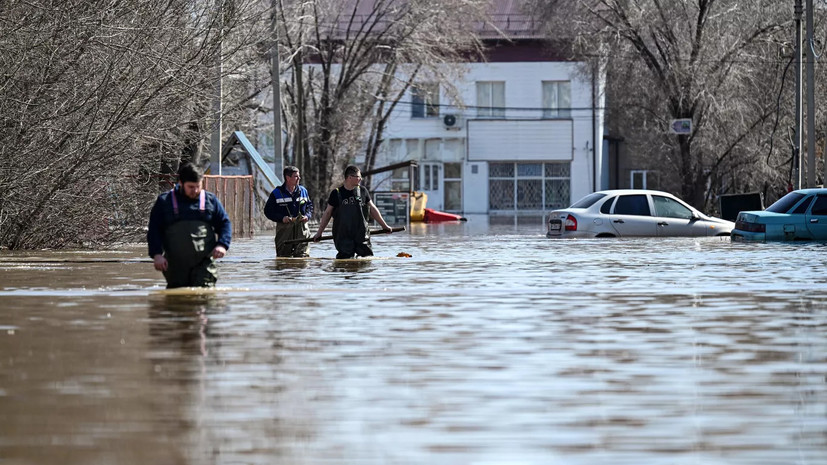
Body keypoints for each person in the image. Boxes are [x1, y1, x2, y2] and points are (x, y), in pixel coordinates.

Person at [147, 162, 232, 288]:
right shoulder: (164, 202)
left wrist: (222, 245)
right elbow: (154, 230)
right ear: (181, 183)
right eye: (191, 187)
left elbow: (225, 223)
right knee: (177, 300)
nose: (195, 191)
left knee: (204, 297)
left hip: (204, 264)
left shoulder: (210, 201)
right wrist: (157, 255)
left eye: (198, 186)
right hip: (175, 265)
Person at [313, 165, 393, 259]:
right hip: (343, 236)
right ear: (349, 177)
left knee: (366, 260)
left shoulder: (363, 191)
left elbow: (373, 209)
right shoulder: (336, 193)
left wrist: (384, 226)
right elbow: (327, 213)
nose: (360, 179)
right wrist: (319, 233)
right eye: (358, 177)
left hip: (362, 235)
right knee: (344, 262)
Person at [264, 165, 314, 257]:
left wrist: (307, 216)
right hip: (284, 230)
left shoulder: (303, 191)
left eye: (298, 176)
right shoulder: (276, 193)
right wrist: (282, 218)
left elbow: (309, 206)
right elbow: (268, 211)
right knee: (283, 257)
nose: (299, 178)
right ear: (288, 178)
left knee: (303, 257)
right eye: (296, 176)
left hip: (302, 230)